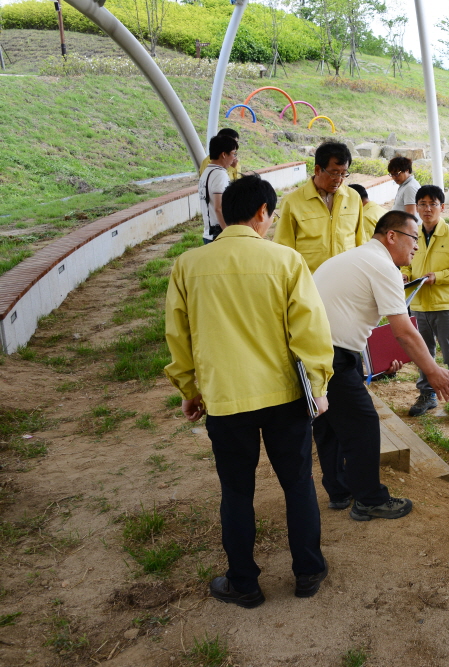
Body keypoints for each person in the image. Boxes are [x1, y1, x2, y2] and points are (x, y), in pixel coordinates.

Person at [164, 174, 334, 608]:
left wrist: (188, 388)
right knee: (297, 485)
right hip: (285, 397)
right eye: (271, 214)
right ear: (263, 213)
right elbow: (311, 333)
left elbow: (178, 337)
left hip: (225, 399)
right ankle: (308, 572)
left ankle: (244, 582)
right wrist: (318, 384)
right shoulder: (287, 261)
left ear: (223, 213)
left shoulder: (188, 265)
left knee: (236, 491)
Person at [311, 211, 449, 521]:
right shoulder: (383, 266)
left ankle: (339, 491)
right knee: (363, 423)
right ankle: (369, 499)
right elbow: (403, 331)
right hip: (332, 355)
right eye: (413, 238)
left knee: (329, 422)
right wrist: (432, 369)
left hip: (310, 352)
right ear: (392, 236)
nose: (416, 247)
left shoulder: (356, 258)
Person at [402, 185, 449, 423]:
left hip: (445, 306)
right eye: (422, 204)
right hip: (419, 305)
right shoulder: (413, 234)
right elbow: (406, 262)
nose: (427, 209)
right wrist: (405, 273)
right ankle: (427, 394)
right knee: (424, 354)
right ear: (417, 208)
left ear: (442, 207)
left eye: (433, 204)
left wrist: (438, 277)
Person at [274, 141, 366, 272]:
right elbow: (284, 247)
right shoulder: (293, 202)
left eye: (343, 174)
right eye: (334, 173)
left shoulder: (353, 198)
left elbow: (360, 240)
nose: (339, 179)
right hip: (310, 281)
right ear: (317, 169)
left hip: (346, 279)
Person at [198, 134, 238, 244]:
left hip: (209, 234)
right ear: (224, 154)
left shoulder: (206, 173)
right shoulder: (219, 174)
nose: (234, 158)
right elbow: (218, 207)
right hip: (219, 236)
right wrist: (228, 232)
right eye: (233, 154)